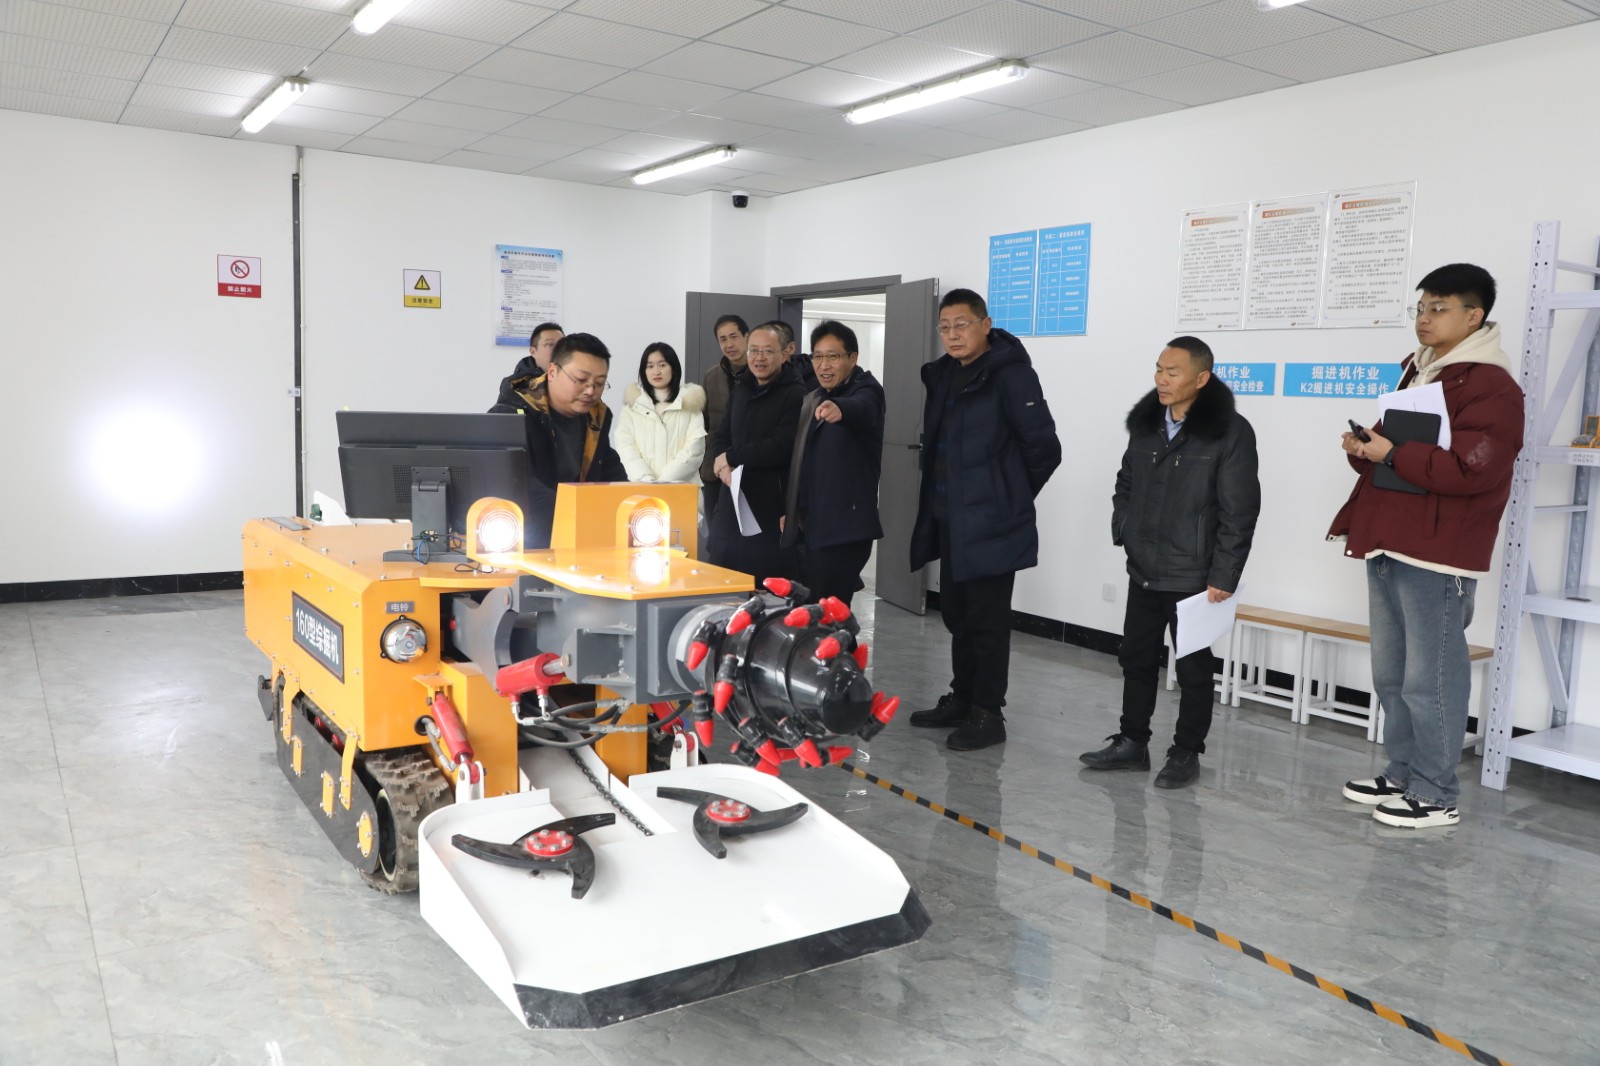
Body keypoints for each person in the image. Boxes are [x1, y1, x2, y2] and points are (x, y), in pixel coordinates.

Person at [1330, 263, 1523, 828]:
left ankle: (1437, 793)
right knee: (1392, 673)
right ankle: (1402, 773)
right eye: (1420, 307)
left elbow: (1472, 469)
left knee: (1430, 677)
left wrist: (1389, 452)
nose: (1424, 318)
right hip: (1389, 536)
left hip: (1437, 551)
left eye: (1439, 308)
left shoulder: (1491, 385)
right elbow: (1400, 454)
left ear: (1474, 316)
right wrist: (1365, 447)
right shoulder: (1421, 371)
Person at [1079, 337, 1261, 789]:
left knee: (1193, 669)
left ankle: (1185, 752)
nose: (1161, 379)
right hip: (1143, 566)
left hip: (1195, 573)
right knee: (1135, 658)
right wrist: (1125, 529)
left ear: (1201, 378)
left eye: (1173, 372)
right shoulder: (1147, 425)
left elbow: (1239, 510)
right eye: (1159, 369)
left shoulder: (1230, 432)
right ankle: (1131, 742)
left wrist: (1224, 574)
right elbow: (1125, 482)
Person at [906, 289, 1061, 751]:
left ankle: (988, 713)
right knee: (958, 615)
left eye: (962, 325)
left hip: (992, 524)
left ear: (985, 324)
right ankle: (964, 698)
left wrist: (1004, 497)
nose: (953, 335)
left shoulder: (1011, 375)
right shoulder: (943, 375)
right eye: (945, 327)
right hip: (950, 520)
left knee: (987, 622)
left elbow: (1045, 449)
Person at [780, 320, 885, 607]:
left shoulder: (867, 389)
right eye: (818, 356)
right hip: (813, 523)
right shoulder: (817, 395)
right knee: (816, 608)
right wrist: (793, 509)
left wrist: (842, 409)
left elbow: (864, 407)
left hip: (845, 528)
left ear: (853, 358)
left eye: (833, 356)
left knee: (829, 611)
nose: (824, 365)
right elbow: (805, 463)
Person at [505, 332, 627, 547]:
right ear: (552, 372)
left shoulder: (597, 417)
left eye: (600, 383)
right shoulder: (512, 415)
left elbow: (607, 465)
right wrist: (577, 511)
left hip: (584, 537)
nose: (591, 390)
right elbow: (517, 484)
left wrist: (628, 501)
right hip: (529, 540)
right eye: (580, 380)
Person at [708, 324, 804, 582]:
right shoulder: (741, 389)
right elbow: (721, 435)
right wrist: (722, 463)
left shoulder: (795, 394)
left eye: (768, 351)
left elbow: (781, 446)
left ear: (784, 354)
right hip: (731, 500)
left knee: (763, 582)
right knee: (723, 579)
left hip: (769, 505)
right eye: (754, 351)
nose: (759, 358)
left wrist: (731, 457)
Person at [614, 342, 708, 488]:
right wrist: (645, 479)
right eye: (650, 366)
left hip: (682, 489)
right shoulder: (632, 406)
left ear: (673, 368)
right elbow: (625, 446)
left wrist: (664, 482)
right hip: (642, 488)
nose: (656, 371)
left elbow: (694, 450)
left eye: (662, 365)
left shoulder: (690, 403)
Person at [700, 314, 748, 525]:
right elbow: (704, 424)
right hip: (714, 469)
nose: (729, 344)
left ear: (747, 337)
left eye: (734, 336)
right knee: (715, 532)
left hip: (746, 468)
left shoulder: (760, 374)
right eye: (723, 339)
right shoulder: (712, 376)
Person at [492, 322, 563, 412]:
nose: (558, 350)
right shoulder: (516, 388)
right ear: (533, 351)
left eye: (562, 345)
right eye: (550, 344)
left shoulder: (573, 381)